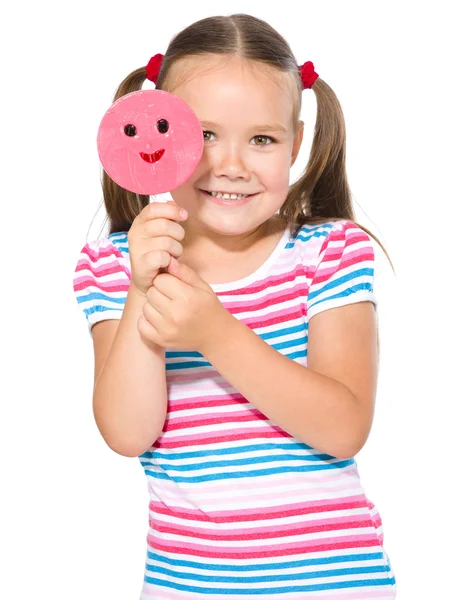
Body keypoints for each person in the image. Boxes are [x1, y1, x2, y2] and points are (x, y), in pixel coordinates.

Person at [73, 13, 397, 599]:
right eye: (204, 135)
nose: (231, 165)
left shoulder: (326, 253)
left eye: (263, 139)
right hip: (185, 586)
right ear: (158, 134)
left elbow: (345, 428)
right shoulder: (114, 268)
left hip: (333, 586)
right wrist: (146, 286)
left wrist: (216, 333)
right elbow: (127, 432)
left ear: (296, 143)